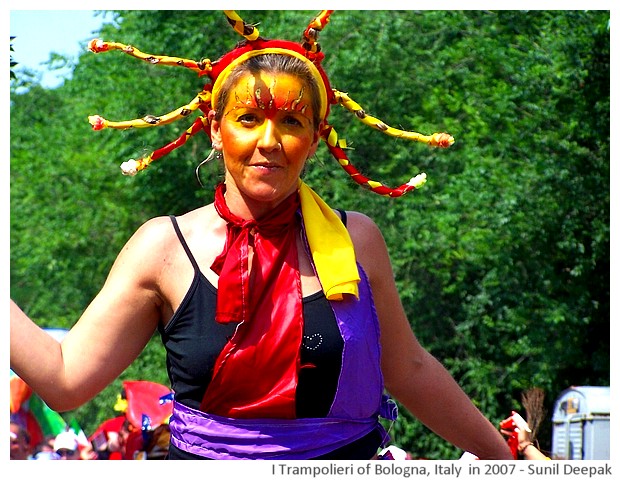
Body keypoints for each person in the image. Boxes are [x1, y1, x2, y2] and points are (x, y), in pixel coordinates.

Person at [10, 11, 512, 460]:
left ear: (316, 137)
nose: (268, 142)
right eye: (248, 119)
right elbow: (66, 377)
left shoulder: (356, 239)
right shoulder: (162, 248)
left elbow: (410, 371)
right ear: (214, 127)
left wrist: (507, 459)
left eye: (290, 122)